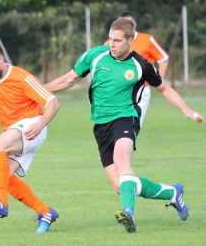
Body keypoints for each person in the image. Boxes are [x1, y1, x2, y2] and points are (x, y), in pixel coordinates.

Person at [44, 18, 205, 233]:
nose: (112, 44)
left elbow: (164, 89)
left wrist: (186, 109)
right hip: (100, 124)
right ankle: (172, 193)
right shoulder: (94, 55)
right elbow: (68, 80)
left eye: (117, 40)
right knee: (120, 186)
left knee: (122, 159)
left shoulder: (141, 65)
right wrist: (38, 90)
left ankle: (128, 212)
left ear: (130, 40)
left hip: (126, 118)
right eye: (110, 39)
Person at [0, 41, 61, 233]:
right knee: (1, 175)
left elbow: (53, 103)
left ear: (0, 59)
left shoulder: (22, 77)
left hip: (32, 125)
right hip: (15, 132)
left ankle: (0, 203)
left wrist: (40, 125)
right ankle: (45, 211)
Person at [104, 11, 169, 127]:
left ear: (134, 24)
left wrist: (159, 80)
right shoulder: (110, 42)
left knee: (133, 125)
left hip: (141, 90)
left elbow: (163, 58)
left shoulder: (147, 39)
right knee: (113, 127)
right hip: (117, 90)